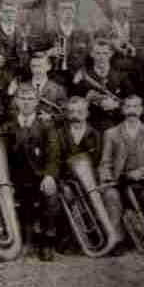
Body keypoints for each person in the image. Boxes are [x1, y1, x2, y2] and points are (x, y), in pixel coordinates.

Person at [98, 95, 144, 254]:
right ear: (123, 110)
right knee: (111, 196)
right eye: (128, 107)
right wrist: (107, 179)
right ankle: (117, 240)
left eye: (135, 107)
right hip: (119, 184)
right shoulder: (111, 133)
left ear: (141, 110)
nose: (132, 111)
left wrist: (140, 173)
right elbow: (105, 162)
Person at [0, 84, 61, 261]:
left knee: (51, 196)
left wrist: (49, 175)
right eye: (23, 99)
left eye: (30, 99)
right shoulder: (8, 127)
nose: (26, 103)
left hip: (40, 178)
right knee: (22, 205)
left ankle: (48, 242)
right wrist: (6, 182)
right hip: (16, 179)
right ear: (16, 101)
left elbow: (54, 154)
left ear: (37, 102)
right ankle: (26, 241)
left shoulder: (47, 126)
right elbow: (2, 158)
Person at [54, 96, 103, 253]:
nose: (76, 115)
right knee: (67, 195)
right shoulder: (58, 134)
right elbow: (54, 159)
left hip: (89, 180)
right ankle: (69, 238)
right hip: (66, 179)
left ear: (87, 113)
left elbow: (98, 161)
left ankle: (96, 235)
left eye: (80, 111)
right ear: (67, 114)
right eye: (72, 111)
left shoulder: (96, 135)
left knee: (95, 196)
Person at [95, 0, 144, 87]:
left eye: (129, 7)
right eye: (125, 8)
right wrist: (112, 45)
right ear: (116, 10)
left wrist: (135, 52)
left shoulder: (140, 29)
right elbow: (97, 53)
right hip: (113, 77)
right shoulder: (104, 29)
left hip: (137, 77)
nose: (130, 10)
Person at [72, 39, 133, 131]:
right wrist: (86, 101)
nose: (102, 57)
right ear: (92, 54)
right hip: (89, 127)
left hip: (116, 125)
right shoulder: (83, 77)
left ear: (111, 54)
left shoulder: (122, 77)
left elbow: (134, 102)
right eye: (98, 53)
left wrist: (116, 105)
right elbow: (72, 104)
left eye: (105, 53)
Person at [46, 0, 92, 89]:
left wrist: (82, 71)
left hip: (78, 78)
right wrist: (48, 53)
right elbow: (36, 55)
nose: (68, 12)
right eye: (63, 9)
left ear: (75, 13)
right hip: (55, 77)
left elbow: (90, 59)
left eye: (71, 9)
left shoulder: (84, 34)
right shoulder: (50, 34)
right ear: (57, 12)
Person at [9, 53, 67, 124]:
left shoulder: (58, 89)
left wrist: (51, 117)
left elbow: (66, 113)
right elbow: (11, 110)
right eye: (33, 66)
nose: (37, 69)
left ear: (49, 67)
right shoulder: (21, 87)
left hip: (49, 130)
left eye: (40, 66)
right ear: (30, 67)